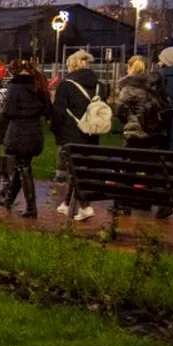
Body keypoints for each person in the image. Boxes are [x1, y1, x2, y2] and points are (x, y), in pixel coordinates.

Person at [49, 50, 107, 221]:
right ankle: (67, 204)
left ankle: (85, 205)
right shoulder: (100, 86)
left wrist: (56, 130)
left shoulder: (66, 85)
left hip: (71, 135)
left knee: (75, 172)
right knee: (80, 170)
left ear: (71, 65)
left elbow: (58, 113)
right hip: (91, 134)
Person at [0, 59, 51, 218]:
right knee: (21, 166)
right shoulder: (39, 84)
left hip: (19, 133)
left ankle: (31, 207)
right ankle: (9, 200)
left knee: (23, 167)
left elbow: (8, 111)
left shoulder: (15, 86)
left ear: (15, 71)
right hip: (35, 132)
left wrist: (2, 105)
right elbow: (47, 109)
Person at [115, 56, 171, 151]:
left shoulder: (128, 89)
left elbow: (120, 112)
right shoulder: (157, 86)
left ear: (130, 67)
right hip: (156, 134)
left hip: (135, 135)